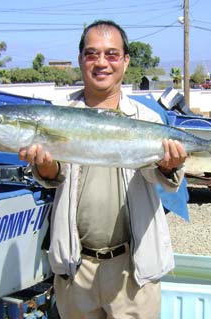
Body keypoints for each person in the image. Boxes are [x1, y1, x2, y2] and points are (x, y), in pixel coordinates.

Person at [19, 20, 187, 319]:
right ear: (81, 59)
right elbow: (54, 175)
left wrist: (169, 165)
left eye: (111, 54)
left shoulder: (147, 118)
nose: (101, 62)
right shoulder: (58, 115)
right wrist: (45, 167)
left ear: (125, 61)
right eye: (92, 53)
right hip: (76, 268)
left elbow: (160, 178)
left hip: (133, 272)